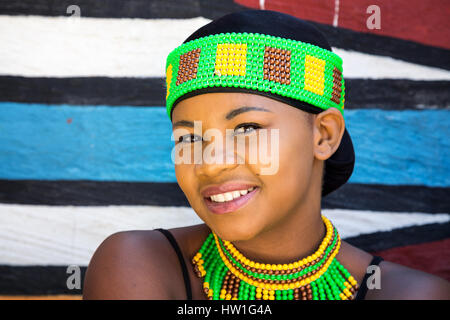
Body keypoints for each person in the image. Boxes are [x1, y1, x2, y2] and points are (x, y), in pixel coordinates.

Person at [82, 10, 450, 300]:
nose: (211, 162)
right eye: (189, 138)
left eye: (247, 129)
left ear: (323, 135)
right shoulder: (138, 264)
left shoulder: (410, 294)